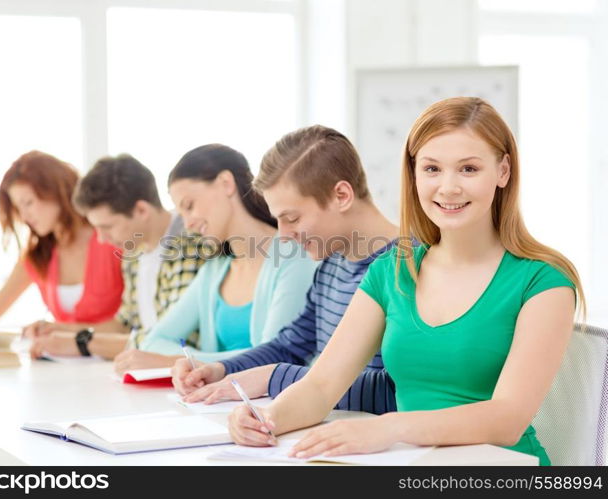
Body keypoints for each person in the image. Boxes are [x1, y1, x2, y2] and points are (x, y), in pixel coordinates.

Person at [227, 97, 584, 466]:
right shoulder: (391, 271)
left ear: (503, 172)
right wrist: (267, 418)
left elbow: (507, 418)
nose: (447, 188)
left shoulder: (544, 281)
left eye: (468, 169)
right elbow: (320, 386)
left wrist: (390, 429)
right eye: (431, 169)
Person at [171, 125, 400, 415]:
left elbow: (397, 389)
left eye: (291, 217)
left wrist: (271, 378)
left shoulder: (411, 268)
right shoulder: (331, 265)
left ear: (341, 195)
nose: (283, 234)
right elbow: (290, 345)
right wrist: (220, 369)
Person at [113, 144, 318, 373]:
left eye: (189, 206)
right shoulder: (214, 271)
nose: (188, 223)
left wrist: (188, 363)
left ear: (226, 184)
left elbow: (275, 357)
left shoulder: (294, 256)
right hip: (218, 405)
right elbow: (154, 341)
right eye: (181, 214)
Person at [27, 154, 207, 359]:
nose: (102, 240)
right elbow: (124, 325)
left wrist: (82, 342)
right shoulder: (134, 252)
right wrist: (60, 330)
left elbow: (174, 341)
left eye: (107, 227)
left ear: (141, 210)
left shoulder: (189, 245)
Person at [0, 151, 123, 336]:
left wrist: (61, 330)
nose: (24, 216)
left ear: (56, 191)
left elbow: (131, 324)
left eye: (28, 203)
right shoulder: (38, 256)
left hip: (119, 361)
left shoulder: (112, 239)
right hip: (66, 363)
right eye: (18, 208)